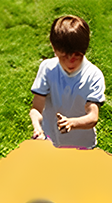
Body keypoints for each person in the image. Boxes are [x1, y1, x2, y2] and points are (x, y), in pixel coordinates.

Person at [29, 15, 105, 149]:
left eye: (77, 55)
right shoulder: (47, 69)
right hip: (50, 142)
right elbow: (37, 108)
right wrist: (37, 128)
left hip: (82, 145)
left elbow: (93, 116)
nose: (71, 61)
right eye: (64, 55)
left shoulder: (94, 75)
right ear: (53, 47)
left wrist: (72, 123)